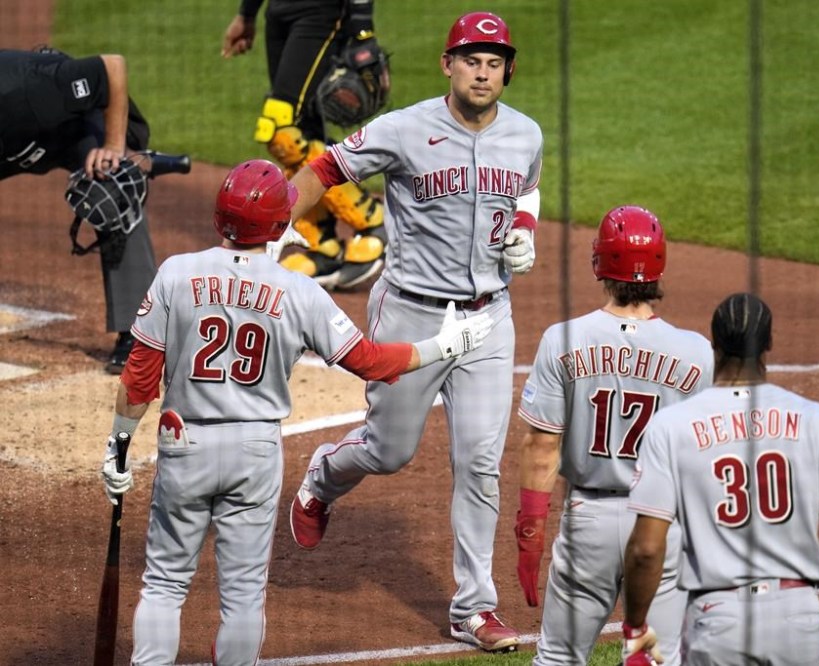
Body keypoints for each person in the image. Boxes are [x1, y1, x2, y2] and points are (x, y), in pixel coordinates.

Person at [98, 159, 494, 665]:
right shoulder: (299, 291)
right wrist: (444, 344)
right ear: (282, 225)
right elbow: (370, 363)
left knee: (165, 582)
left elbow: (139, 376)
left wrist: (118, 448)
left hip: (185, 444)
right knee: (243, 595)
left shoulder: (176, 273)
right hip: (256, 451)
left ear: (220, 216)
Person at [283, 11, 543, 653]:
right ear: (447, 65)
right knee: (389, 450)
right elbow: (322, 171)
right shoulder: (404, 129)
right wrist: (268, 237)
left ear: (506, 70)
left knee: (480, 464)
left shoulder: (526, 134)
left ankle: (474, 609)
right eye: (471, 59)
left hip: (489, 319)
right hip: (411, 314)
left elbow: (529, 189)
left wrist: (526, 235)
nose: (482, 72)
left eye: (494, 62)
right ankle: (322, 478)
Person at [621, 293, 819, 666]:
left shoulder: (673, 426)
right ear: (768, 343)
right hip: (797, 618)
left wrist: (635, 628)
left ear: (714, 344)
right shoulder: (815, 419)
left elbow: (645, 549)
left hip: (718, 617)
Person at [514, 206, 713, 666]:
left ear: (599, 263)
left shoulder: (563, 339)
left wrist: (530, 532)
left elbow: (542, 446)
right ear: (659, 266)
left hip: (589, 521)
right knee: (658, 658)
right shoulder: (697, 353)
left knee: (559, 658)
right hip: (661, 522)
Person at [0, 46, 190, 373]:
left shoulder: (29, 90)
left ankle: (140, 332)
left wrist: (114, 147)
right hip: (15, 142)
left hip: (80, 126)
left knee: (112, 186)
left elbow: (111, 67)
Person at [222, 0, 391, 289]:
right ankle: (323, 247)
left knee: (281, 130)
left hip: (321, 11)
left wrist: (363, 30)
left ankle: (374, 223)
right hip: (278, 13)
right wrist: (247, 13)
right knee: (302, 127)